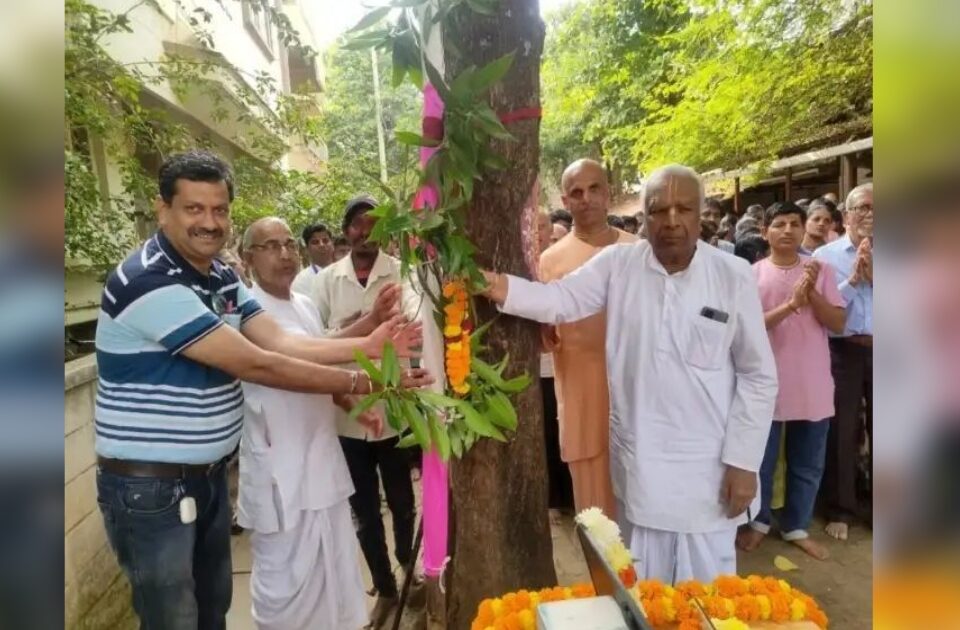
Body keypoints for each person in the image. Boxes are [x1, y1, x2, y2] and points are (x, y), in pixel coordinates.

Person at [93, 151, 431, 630]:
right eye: (194, 209)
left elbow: (283, 342)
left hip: (205, 477)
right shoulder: (148, 280)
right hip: (150, 487)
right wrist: (371, 378)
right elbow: (260, 364)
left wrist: (370, 340)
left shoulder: (221, 277)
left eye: (220, 210)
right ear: (162, 209)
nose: (210, 223)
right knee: (175, 618)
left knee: (211, 610)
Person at [483, 164, 777, 583]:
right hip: (643, 464)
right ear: (643, 217)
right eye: (659, 210)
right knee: (644, 587)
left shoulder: (732, 275)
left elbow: (758, 375)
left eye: (684, 209)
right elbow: (559, 300)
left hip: (709, 467)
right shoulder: (619, 264)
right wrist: (494, 285)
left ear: (700, 214)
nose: (672, 221)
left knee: (708, 595)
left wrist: (744, 462)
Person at [238, 217, 398, 629]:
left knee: (335, 569)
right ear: (248, 258)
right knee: (285, 581)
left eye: (289, 243)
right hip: (281, 468)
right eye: (270, 246)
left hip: (320, 459)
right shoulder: (245, 311)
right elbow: (294, 363)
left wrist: (350, 403)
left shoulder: (304, 304)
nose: (285, 253)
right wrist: (369, 346)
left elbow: (321, 353)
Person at [308, 195, 422, 627]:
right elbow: (314, 344)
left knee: (402, 500)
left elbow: (413, 334)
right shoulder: (324, 282)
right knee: (364, 509)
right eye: (358, 224)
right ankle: (385, 589)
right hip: (346, 413)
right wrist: (360, 324)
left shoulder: (401, 273)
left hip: (393, 410)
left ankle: (410, 575)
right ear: (346, 230)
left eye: (375, 225)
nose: (366, 233)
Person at [736, 202, 845, 561]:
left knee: (807, 461)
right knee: (760, 461)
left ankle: (797, 525)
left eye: (794, 224)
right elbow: (746, 328)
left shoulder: (822, 270)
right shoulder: (750, 274)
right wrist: (791, 304)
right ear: (765, 231)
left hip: (812, 382)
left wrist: (811, 292)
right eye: (778, 223)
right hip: (764, 382)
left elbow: (838, 323)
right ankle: (759, 522)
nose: (787, 230)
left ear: (803, 231)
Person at [537, 159, 638, 519]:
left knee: (641, 510)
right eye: (576, 192)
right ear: (566, 201)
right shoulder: (549, 262)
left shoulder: (639, 250)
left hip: (637, 397)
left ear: (608, 193)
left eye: (595, 188)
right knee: (597, 518)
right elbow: (544, 337)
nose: (587, 199)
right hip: (582, 398)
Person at [813, 183, 874, 541]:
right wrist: (854, 278)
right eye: (864, 207)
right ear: (847, 215)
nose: (871, 215)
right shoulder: (825, 255)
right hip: (842, 350)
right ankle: (841, 508)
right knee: (842, 428)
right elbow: (826, 311)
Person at [536, 211, 574, 515]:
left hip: (564, 361)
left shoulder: (561, 261)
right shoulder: (521, 264)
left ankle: (569, 493)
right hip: (538, 367)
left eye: (543, 225)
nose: (538, 231)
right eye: (532, 225)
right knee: (546, 430)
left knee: (564, 427)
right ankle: (555, 496)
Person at [291, 222, 334, 296]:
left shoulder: (345, 270)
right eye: (315, 242)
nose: (322, 245)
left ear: (332, 244)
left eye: (325, 241)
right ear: (307, 249)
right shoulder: (301, 281)